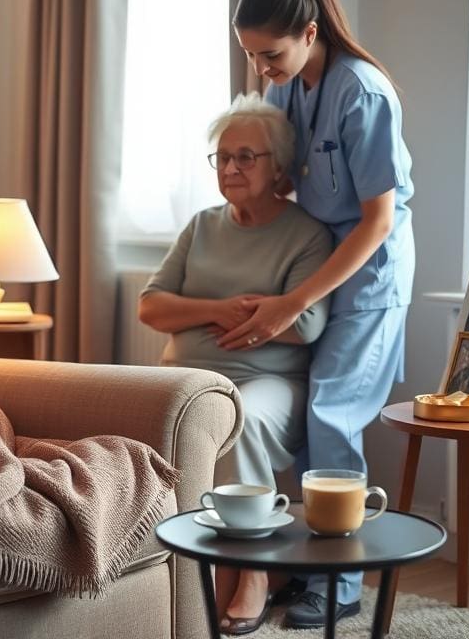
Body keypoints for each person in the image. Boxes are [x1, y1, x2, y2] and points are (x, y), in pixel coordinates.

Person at [222, 0, 415, 629]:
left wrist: (295, 299)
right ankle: (303, 566)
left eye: (270, 54)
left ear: (310, 34)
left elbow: (377, 219)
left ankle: (339, 584)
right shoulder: (285, 89)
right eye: (251, 57)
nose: (261, 71)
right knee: (305, 418)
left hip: (367, 273)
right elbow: (282, 178)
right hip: (314, 262)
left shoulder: (363, 91)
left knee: (331, 414)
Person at [138, 93, 332, 636]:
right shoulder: (201, 226)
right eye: (222, 156)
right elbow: (151, 306)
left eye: (247, 156)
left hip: (266, 382)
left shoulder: (307, 234)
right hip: (186, 378)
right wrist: (224, 309)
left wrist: (194, 315)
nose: (230, 168)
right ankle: (152, 567)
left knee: (233, 420)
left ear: (280, 168)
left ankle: (253, 570)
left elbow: (305, 324)